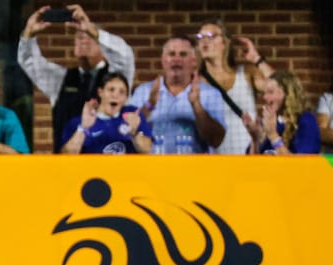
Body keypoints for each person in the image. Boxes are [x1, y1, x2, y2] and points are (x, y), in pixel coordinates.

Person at [18, 4, 135, 152]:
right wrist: (28, 35)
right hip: (67, 161)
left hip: (108, 160)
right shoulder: (60, 79)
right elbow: (29, 61)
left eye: (90, 37)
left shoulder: (117, 77)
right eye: (79, 37)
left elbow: (125, 55)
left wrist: (92, 30)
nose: (84, 41)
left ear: (103, 47)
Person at [129, 35, 226, 154]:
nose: (176, 59)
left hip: (194, 165)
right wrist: (149, 104)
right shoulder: (143, 92)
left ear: (193, 61)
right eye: (171, 54)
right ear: (163, 60)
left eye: (183, 54)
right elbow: (128, 131)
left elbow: (216, 140)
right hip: (153, 164)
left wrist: (197, 105)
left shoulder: (210, 94)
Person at [196, 18, 273, 154]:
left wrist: (256, 59)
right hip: (212, 158)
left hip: (248, 155)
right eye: (200, 37)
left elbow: (280, 87)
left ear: (225, 42)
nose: (204, 41)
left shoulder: (246, 73)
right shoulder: (195, 82)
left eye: (211, 36)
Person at [61, 71, 151, 154]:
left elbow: (148, 151)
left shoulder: (133, 116)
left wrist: (134, 133)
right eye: (111, 90)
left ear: (126, 98)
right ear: (100, 92)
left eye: (122, 92)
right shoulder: (79, 122)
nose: (115, 95)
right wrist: (83, 128)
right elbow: (66, 156)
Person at [243, 70, 320, 154]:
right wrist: (255, 139)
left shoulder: (306, 121)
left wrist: (273, 135)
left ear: (288, 94)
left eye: (270, 92)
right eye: (264, 93)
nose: (264, 97)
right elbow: (252, 161)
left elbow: (301, 161)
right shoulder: (267, 123)